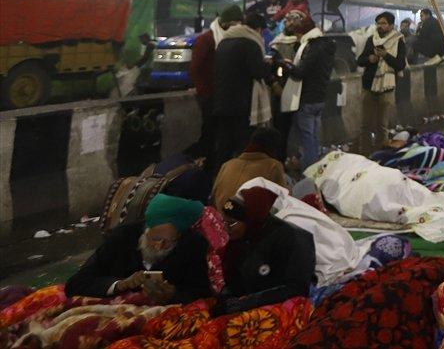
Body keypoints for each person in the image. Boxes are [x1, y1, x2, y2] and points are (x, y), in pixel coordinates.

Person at [66, 193, 211, 303]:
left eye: (167, 242)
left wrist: (173, 294)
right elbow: (76, 284)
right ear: (146, 230)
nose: (159, 246)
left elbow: (202, 293)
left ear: (178, 236)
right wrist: (121, 284)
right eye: (155, 239)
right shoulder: (122, 238)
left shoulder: (193, 244)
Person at [217, 186, 316, 314]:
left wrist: (248, 302)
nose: (225, 228)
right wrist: (227, 296)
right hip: (247, 302)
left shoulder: (293, 239)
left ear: (251, 219)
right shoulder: (241, 239)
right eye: (223, 222)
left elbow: (297, 288)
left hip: (283, 306)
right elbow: (233, 279)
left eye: (231, 223)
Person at [209, 7, 269, 176]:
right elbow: (258, 72)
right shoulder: (250, 44)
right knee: (243, 147)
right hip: (242, 105)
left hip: (221, 103)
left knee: (223, 147)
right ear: (257, 29)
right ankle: (241, 181)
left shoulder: (223, 43)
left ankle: (219, 180)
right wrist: (268, 66)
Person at [282, 12, 335, 171]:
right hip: (320, 97)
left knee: (307, 139)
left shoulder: (313, 47)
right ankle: (312, 165)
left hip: (308, 99)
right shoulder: (326, 44)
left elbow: (300, 72)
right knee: (314, 136)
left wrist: (287, 65)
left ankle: (310, 171)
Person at [356, 11, 404, 153]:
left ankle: (381, 153)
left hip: (387, 88)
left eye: (383, 23)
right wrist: (369, 59)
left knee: (382, 125)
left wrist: (385, 55)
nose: (380, 26)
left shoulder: (398, 41)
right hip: (368, 86)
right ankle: (365, 151)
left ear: (391, 25)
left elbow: (400, 64)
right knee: (365, 123)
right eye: (378, 23)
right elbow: (360, 60)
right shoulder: (371, 40)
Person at [212, 126, 291, 210]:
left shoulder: (227, 164)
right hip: (246, 216)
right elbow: (285, 201)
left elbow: (213, 195)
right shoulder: (274, 166)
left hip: (220, 213)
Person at [188, 15, 221, 161]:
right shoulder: (208, 39)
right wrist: (201, 87)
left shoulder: (213, 38)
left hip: (211, 91)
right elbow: (195, 67)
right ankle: (206, 161)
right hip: (208, 92)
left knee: (211, 129)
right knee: (209, 129)